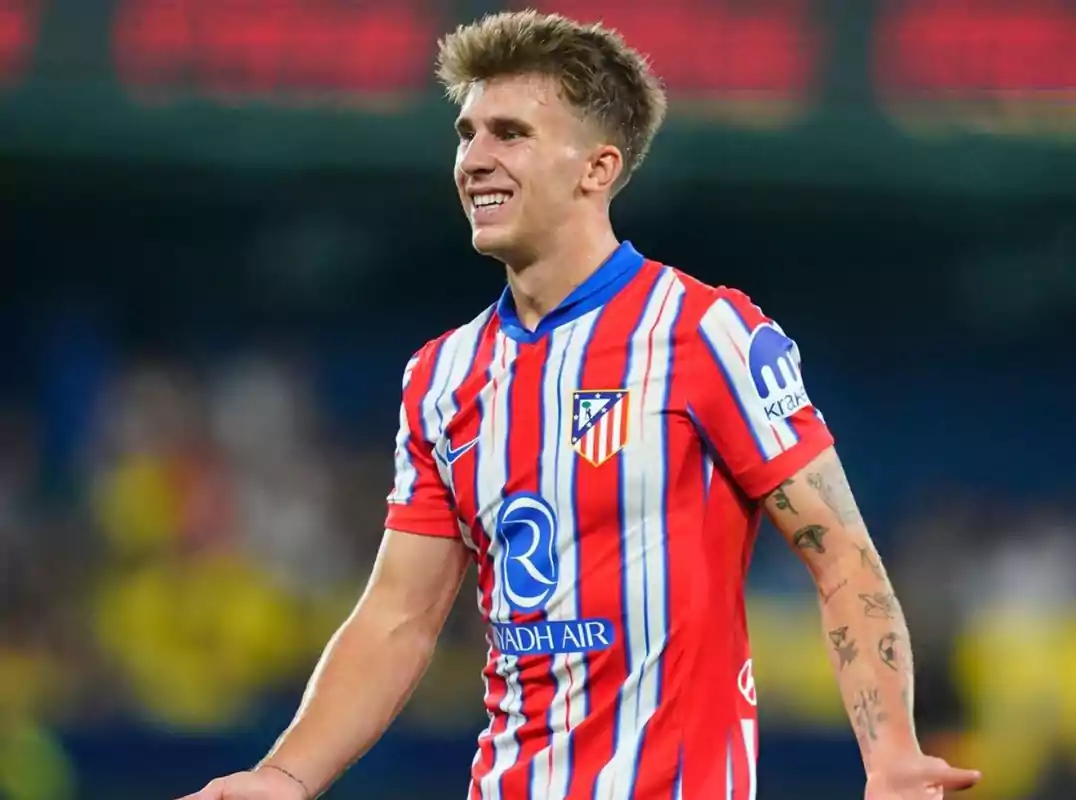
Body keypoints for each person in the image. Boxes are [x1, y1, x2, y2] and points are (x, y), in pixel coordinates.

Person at [179, 10, 980, 800]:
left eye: (510, 133)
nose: (474, 160)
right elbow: (398, 615)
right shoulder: (441, 377)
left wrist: (893, 755)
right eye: (466, 134)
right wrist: (282, 777)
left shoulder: (707, 333)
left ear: (596, 169)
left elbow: (840, 552)